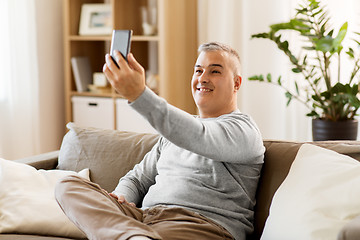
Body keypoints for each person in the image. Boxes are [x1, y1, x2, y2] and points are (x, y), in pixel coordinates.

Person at [55, 42, 265, 240]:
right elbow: (137, 179)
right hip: (143, 220)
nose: (202, 78)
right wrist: (121, 196)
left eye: (215, 71)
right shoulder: (173, 134)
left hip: (199, 225)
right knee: (67, 185)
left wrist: (140, 94)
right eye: (198, 70)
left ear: (236, 83)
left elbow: (199, 136)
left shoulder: (243, 130)